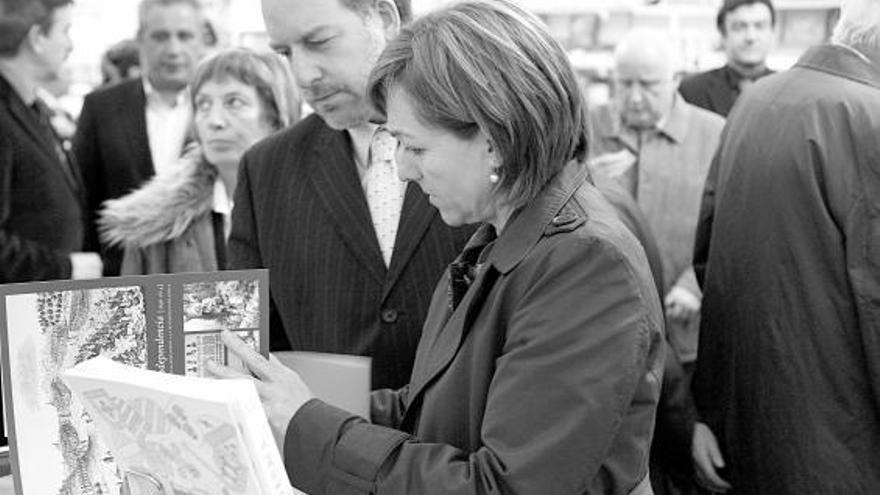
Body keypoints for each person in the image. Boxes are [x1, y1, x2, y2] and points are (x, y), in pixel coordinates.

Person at [213, 1, 665, 493]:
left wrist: (308, 427)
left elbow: (503, 486)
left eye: (417, 148)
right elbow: (431, 409)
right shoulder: (505, 238)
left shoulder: (583, 264)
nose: (403, 169)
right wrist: (289, 404)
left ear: (493, 138)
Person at [227, 0, 473, 390]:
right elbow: (254, 346)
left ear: (384, 18)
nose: (303, 75)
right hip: (326, 444)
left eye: (319, 41)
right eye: (285, 53)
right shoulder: (266, 170)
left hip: (476, 439)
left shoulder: (479, 137)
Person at [690, 0, 880, 492]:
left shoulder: (754, 101)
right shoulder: (870, 118)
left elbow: (708, 256)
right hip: (843, 446)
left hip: (747, 422)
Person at [590, 31, 724, 371]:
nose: (634, 98)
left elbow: (734, 226)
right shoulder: (586, 128)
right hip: (603, 328)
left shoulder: (714, 134)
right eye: (624, 84)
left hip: (687, 328)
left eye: (648, 85)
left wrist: (696, 284)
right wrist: (586, 178)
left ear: (675, 80)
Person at [98, 48, 299, 275]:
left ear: (276, 117)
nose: (215, 121)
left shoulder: (309, 209)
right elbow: (133, 307)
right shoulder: (154, 225)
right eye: (203, 104)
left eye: (234, 102)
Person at [74, 0, 209, 276]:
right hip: (121, 281)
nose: (173, 49)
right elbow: (83, 200)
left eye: (184, 35)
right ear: (140, 40)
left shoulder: (223, 108)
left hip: (206, 282)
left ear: (201, 40)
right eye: (160, 37)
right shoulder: (101, 108)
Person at [0, 0, 102, 283]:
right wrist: (63, 268)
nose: (70, 46)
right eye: (65, 31)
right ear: (37, 38)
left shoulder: (31, 108)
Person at [678, 0, 776, 117]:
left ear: (772, 32)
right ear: (723, 34)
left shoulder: (792, 92)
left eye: (760, 26)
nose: (751, 37)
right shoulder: (692, 91)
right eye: (739, 27)